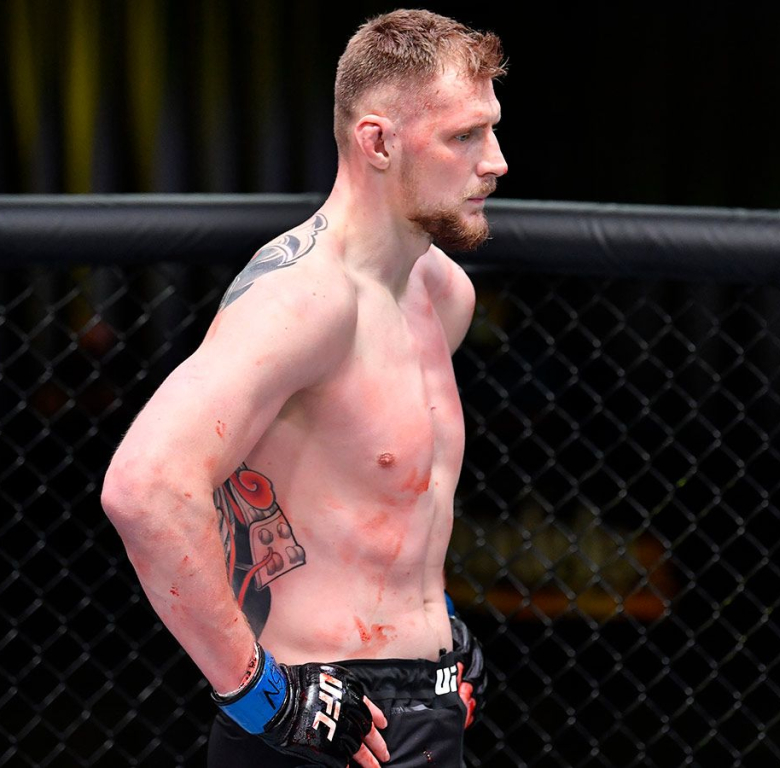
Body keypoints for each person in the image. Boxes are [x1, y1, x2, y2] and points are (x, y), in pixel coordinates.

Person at [100, 9, 507, 767]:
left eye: (491, 130)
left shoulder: (443, 293)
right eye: (464, 136)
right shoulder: (302, 300)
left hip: (422, 704)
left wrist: (437, 630)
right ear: (377, 142)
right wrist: (260, 693)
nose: (496, 161)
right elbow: (145, 486)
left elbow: (368, 502)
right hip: (315, 716)